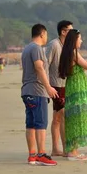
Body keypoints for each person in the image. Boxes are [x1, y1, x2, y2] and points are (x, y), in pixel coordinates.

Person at [58, 29, 87, 160]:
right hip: (77, 87)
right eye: (80, 38)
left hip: (73, 85)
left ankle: (73, 149)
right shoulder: (73, 53)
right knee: (76, 117)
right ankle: (72, 151)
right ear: (74, 40)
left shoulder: (68, 53)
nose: (81, 41)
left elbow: (81, 66)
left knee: (74, 117)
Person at [21, 24, 59, 166]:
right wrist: (48, 87)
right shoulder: (36, 48)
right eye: (46, 35)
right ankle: (41, 154)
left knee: (31, 124)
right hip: (37, 91)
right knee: (41, 123)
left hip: (27, 91)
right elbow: (39, 67)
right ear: (42, 34)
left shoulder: (27, 48)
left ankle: (32, 155)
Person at [45, 20, 73, 157]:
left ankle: (56, 149)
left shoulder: (67, 46)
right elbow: (44, 65)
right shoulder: (54, 44)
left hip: (65, 85)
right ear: (63, 31)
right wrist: (47, 86)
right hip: (55, 85)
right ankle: (65, 148)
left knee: (57, 117)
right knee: (62, 116)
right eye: (70, 30)